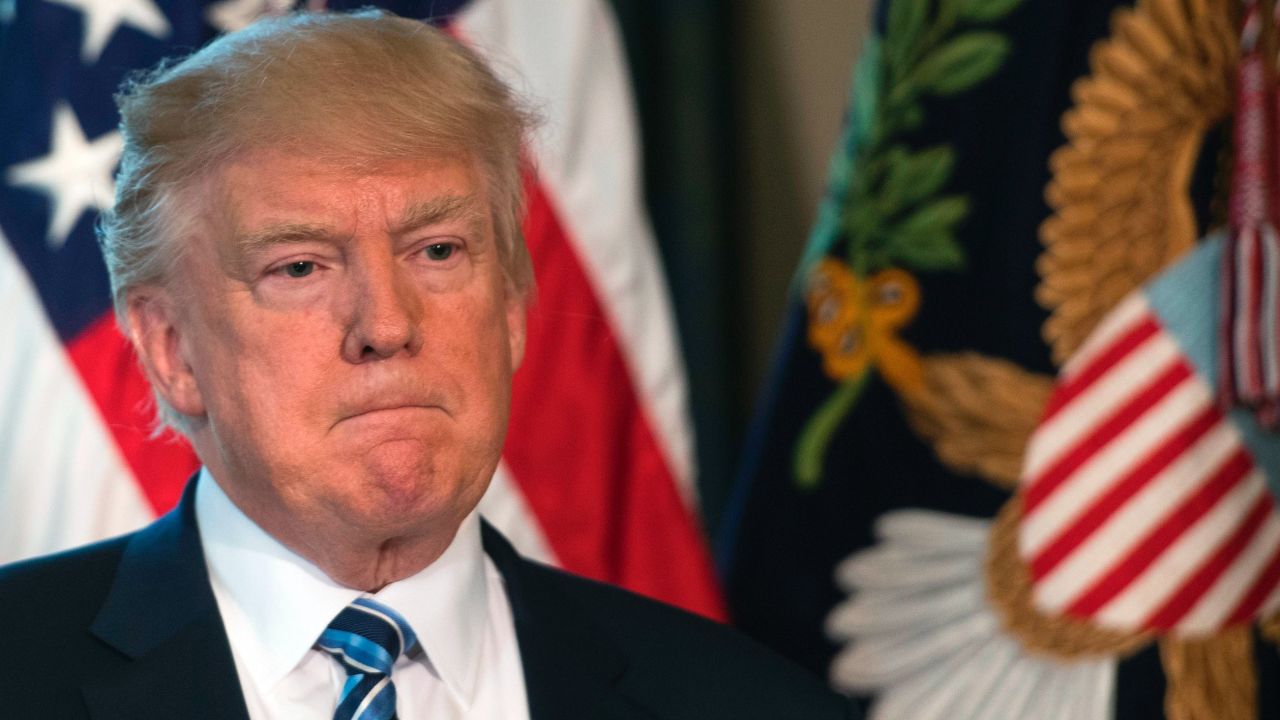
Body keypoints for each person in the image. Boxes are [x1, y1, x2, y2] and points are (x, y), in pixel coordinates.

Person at [0, 9, 856, 720]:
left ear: (513, 310)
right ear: (171, 349)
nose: (386, 325)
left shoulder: (746, 704)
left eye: (437, 251)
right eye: (300, 266)